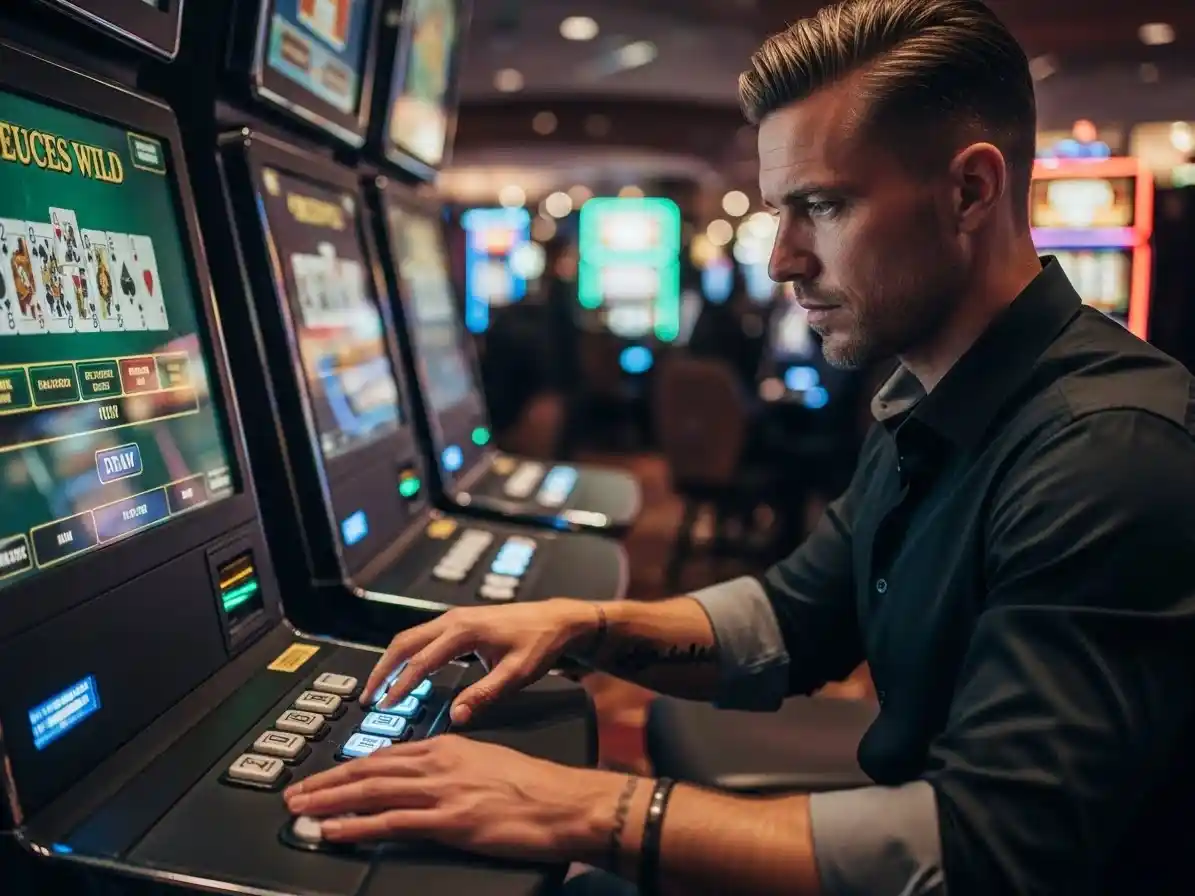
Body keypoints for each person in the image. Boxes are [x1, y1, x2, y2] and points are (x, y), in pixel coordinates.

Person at [282, 1, 1195, 893]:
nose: (780, 260)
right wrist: (584, 626)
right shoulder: (931, 390)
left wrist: (590, 810)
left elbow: (993, 852)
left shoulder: (1107, 453)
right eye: (779, 212)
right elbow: (793, 616)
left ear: (969, 190)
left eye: (823, 207)